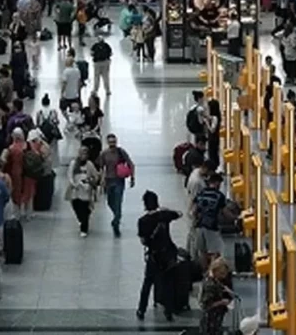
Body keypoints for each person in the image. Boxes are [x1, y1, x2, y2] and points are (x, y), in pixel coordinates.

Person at [136, 190, 180, 321]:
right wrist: (164, 210)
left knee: (148, 282)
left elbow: (143, 240)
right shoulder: (164, 216)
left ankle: (141, 309)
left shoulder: (142, 221)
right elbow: (179, 214)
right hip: (167, 254)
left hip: (153, 256)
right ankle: (168, 311)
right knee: (167, 282)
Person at [97, 133, 135, 237]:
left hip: (119, 180)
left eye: (114, 142)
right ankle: (117, 216)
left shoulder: (121, 152)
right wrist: (101, 180)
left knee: (118, 201)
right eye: (110, 142)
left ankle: (116, 222)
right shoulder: (104, 154)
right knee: (110, 202)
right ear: (107, 142)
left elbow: (130, 164)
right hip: (108, 180)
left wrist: (132, 177)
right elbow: (101, 167)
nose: (112, 144)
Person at [190, 172, 228, 268]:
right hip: (211, 227)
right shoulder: (219, 196)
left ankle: (204, 274)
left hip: (199, 226)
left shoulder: (201, 193)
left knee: (202, 252)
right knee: (215, 252)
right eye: (219, 183)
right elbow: (225, 212)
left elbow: (193, 210)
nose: (219, 186)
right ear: (216, 183)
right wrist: (236, 218)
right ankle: (212, 273)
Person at [67, 147, 99, 236]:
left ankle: (84, 229)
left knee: (84, 210)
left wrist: (90, 181)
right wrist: (73, 184)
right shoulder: (73, 163)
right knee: (76, 206)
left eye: (85, 154)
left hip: (85, 191)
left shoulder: (89, 165)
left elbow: (95, 176)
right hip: (75, 190)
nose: (83, 156)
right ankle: (81, 220)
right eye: (81, 153)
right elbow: (70, 175)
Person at [200, 257, 235, 335]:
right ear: (215, 271)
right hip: (210, 319)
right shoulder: (210, 284)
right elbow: (206, 305)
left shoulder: (217, 280)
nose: (224, 276)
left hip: (217, 316)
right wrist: (221, 302)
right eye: (222, 273)